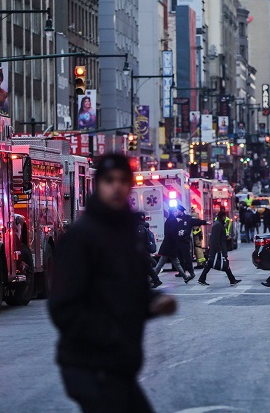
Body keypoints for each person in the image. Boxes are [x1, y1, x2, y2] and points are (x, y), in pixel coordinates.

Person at [49, 154, 177, 413]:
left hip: (118, 365)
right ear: (98, 185)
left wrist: (153, 302)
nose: (116, 186)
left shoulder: (128, 233)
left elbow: (128, 293)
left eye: (122, 180)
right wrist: (111, 335)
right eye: (109, 180)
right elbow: (63, 307)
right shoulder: (81, 237)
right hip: (90, 365)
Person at [198, 210, 241, 286]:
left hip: (217, 249)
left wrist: (226, 237)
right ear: (223, 216)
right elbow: (215, 238)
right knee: (222, 263)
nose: (226, 218)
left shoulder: (218, 224)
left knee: (211, 264)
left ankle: (232, 280)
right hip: (217, 249)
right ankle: (232, 280)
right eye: (225, 216)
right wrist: (219, 250)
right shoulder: (218, 225)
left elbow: (219, 237)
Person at [155, 209, 193, 283]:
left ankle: (185, 277)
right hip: (170, 247)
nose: (177, 212)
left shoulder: (169, 219)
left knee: (175, 263)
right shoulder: (173, 220)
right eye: (176, 211)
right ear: (174, 212)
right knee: (161, 263)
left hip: (168, 246)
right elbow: (172, 233)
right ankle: (154, 278)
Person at [174, 205, 208, 279]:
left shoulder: (187, 218)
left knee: (187, 257)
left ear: (181, 211)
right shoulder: (175, 219)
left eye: (177, 210)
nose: (176, 212)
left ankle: (191, 272)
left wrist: (205, 222)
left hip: (185, 241)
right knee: (180, 257)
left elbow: (197, 221)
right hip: (178, 241)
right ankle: (182, 272)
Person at [139, 221, 163, 288]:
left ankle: (156, 280)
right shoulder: (145, 229)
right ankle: (156, 280)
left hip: (143, 252)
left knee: (147, 268)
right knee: (147, 267)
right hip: (145, 251)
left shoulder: (140, 229)